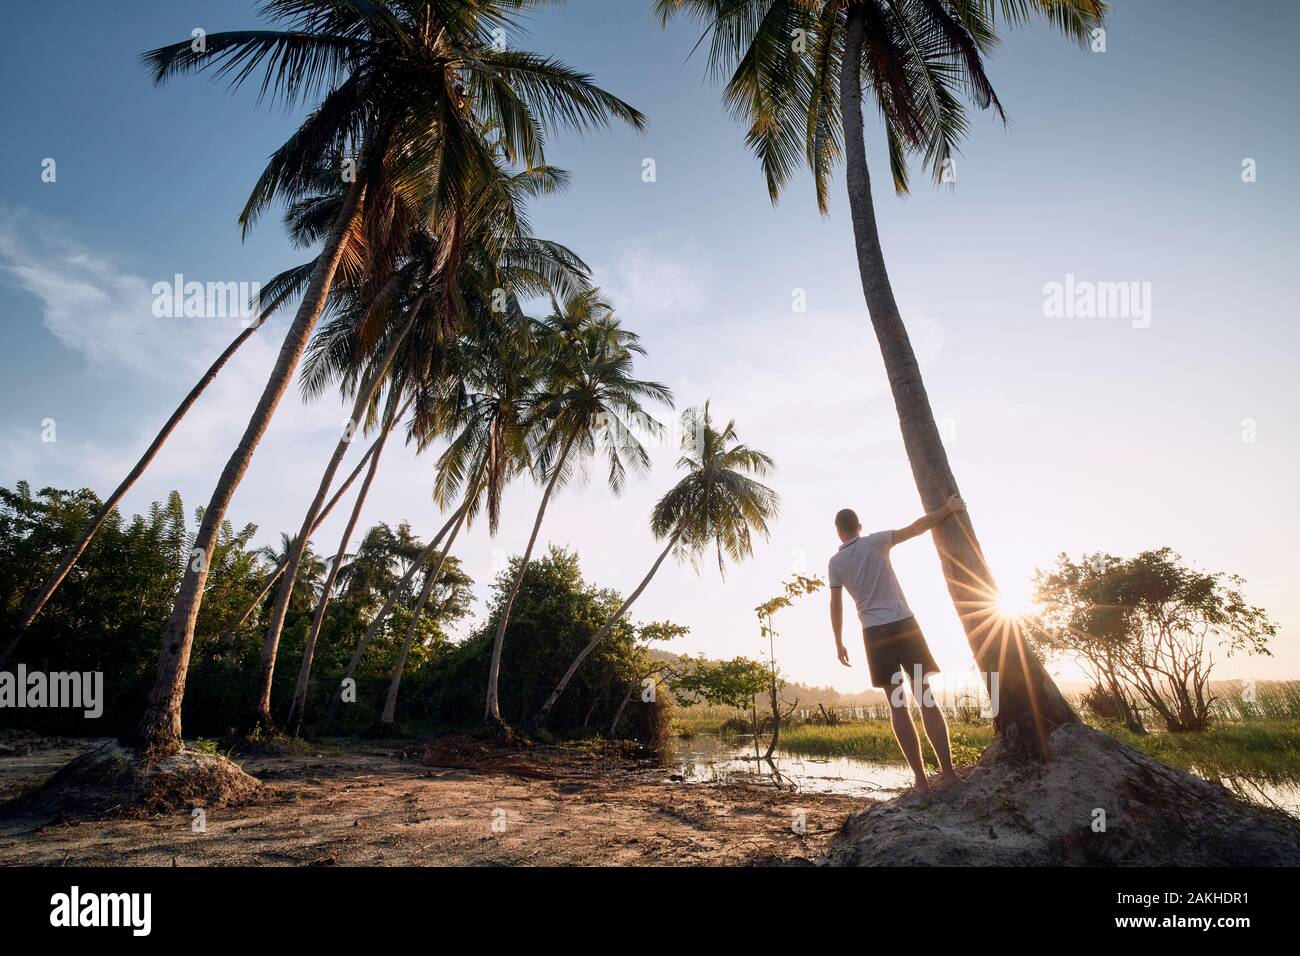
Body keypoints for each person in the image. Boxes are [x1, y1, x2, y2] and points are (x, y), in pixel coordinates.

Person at [828, 495, 966, 792]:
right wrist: (948, 509)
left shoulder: (836, 562)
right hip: (904, 624)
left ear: (839, 531)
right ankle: (949, 774)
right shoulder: (877, 541)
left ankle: (920, 782)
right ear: (859, 527)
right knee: (925, 697)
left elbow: (835, 605)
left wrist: (839, 641)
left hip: (874, 634)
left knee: (898, 706)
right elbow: (917, 527)